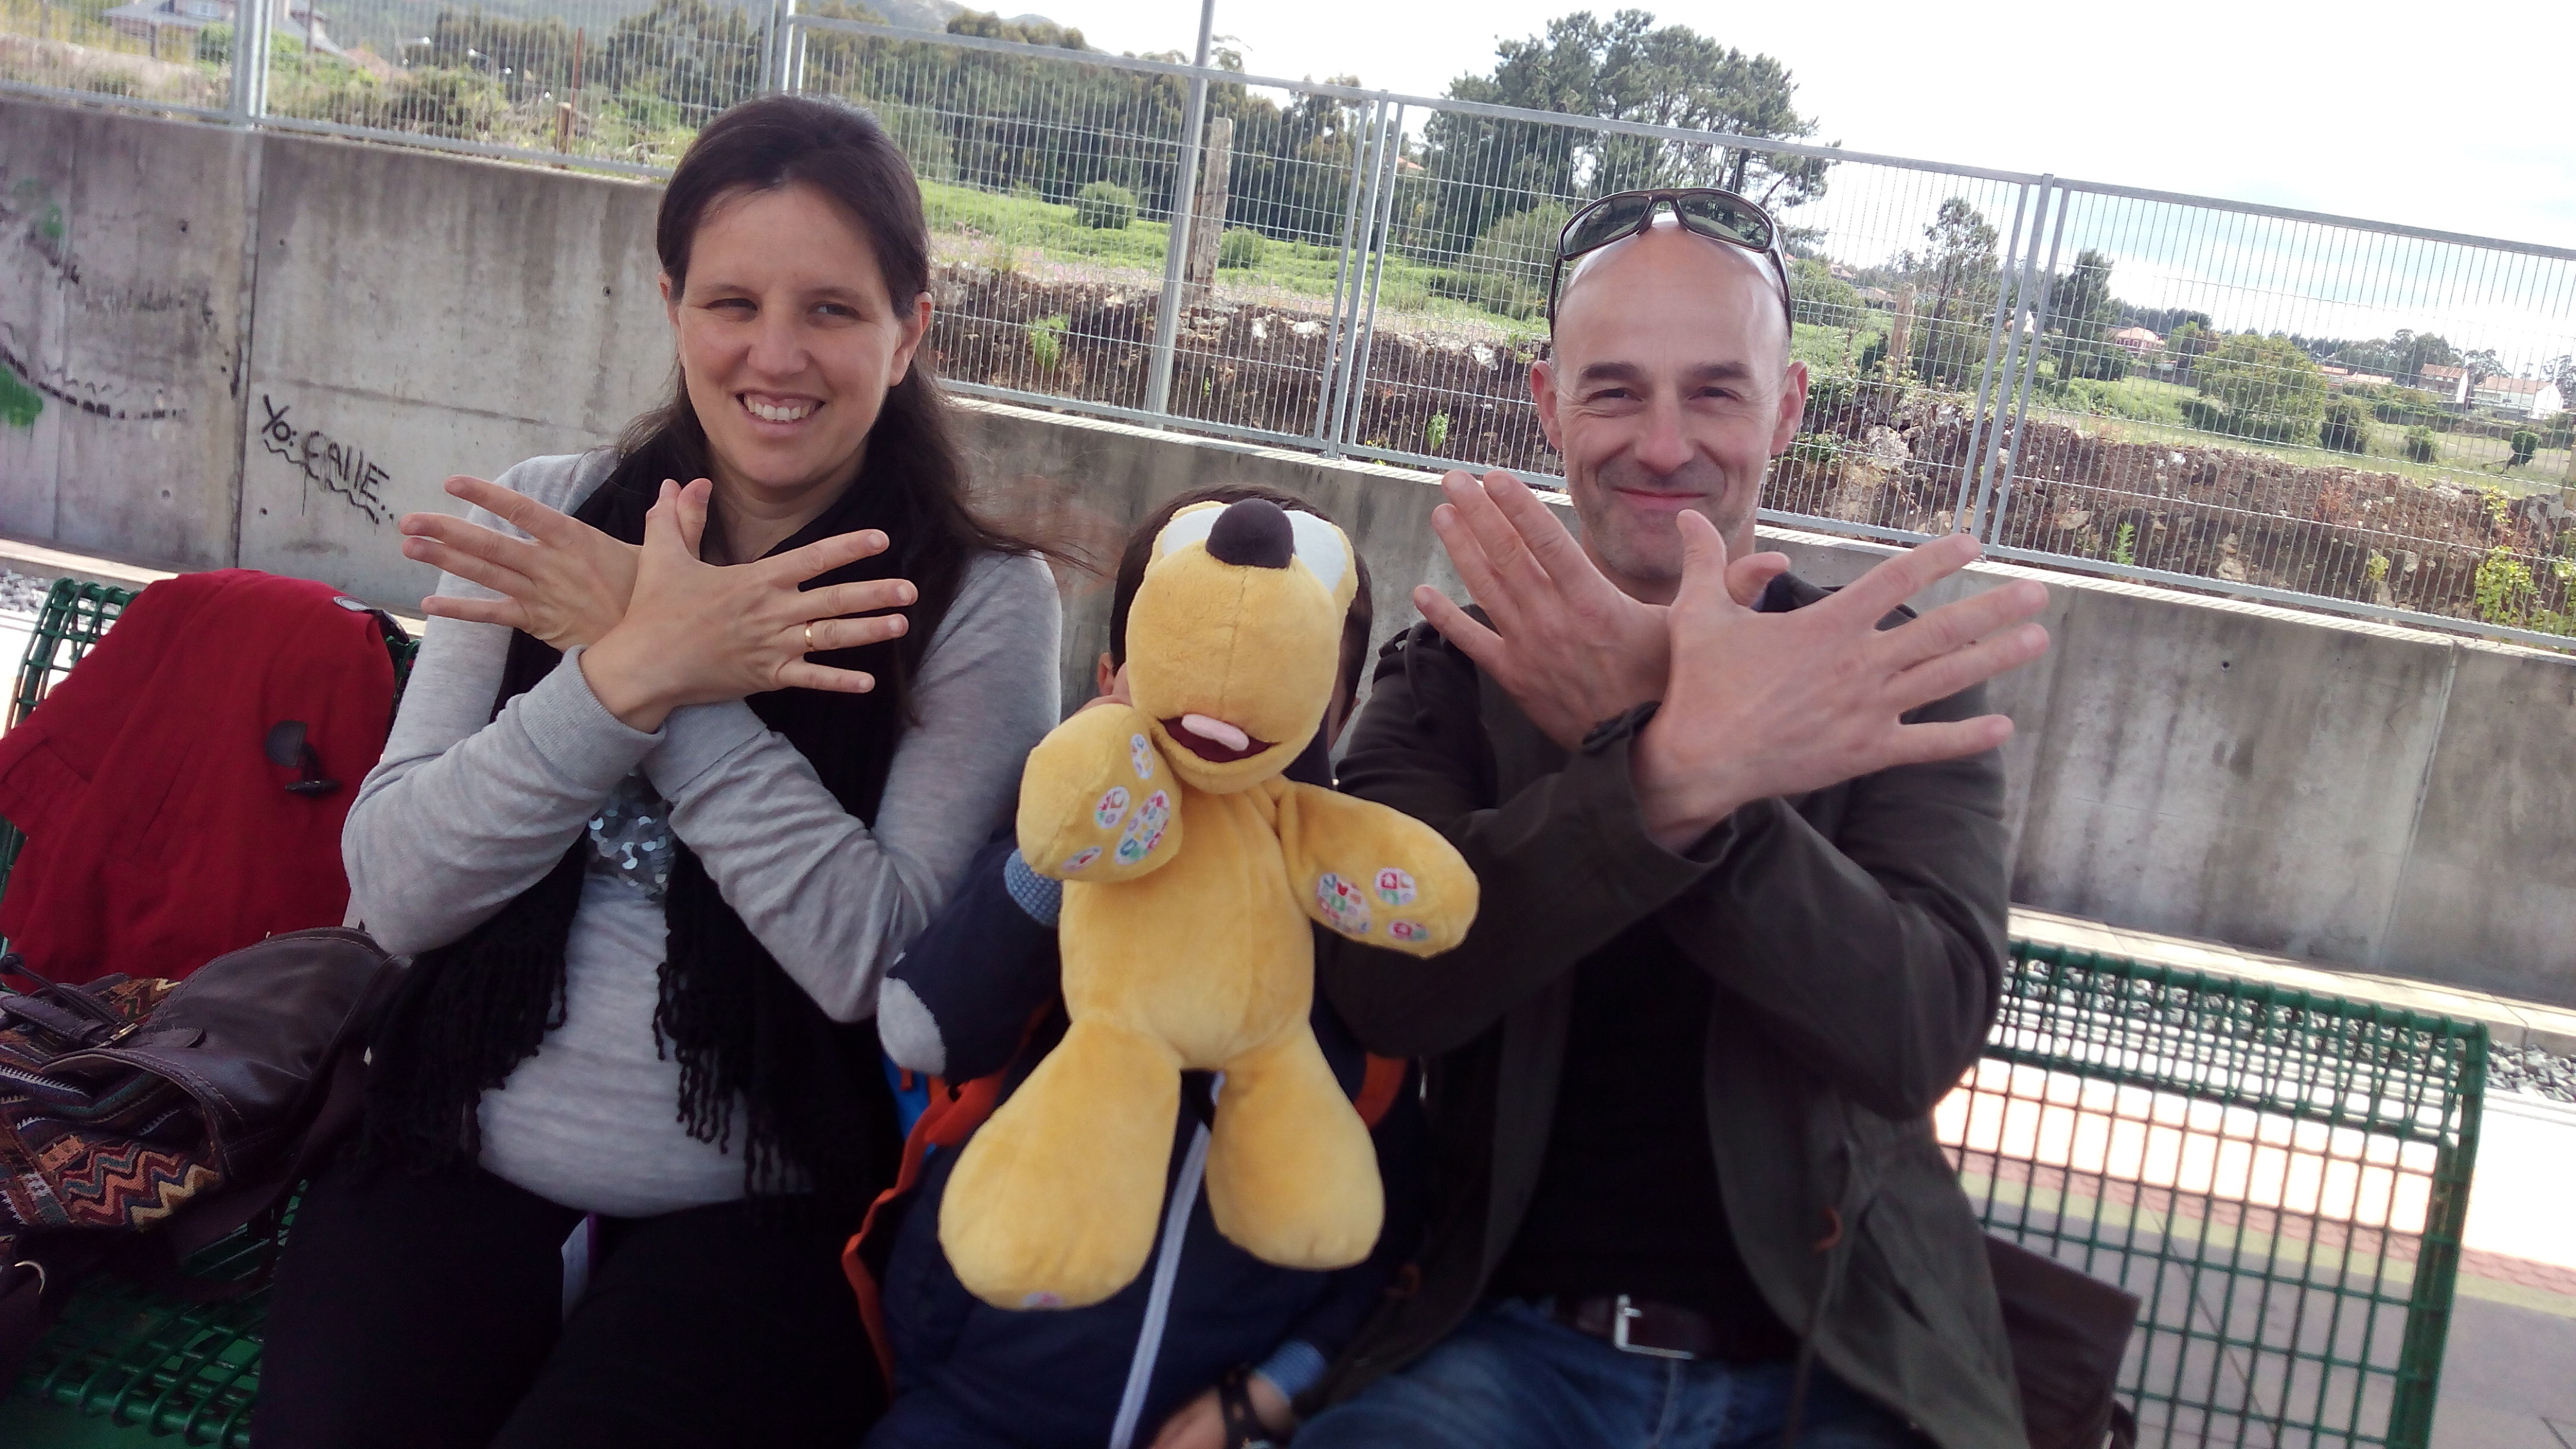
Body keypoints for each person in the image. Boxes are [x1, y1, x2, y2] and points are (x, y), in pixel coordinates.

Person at [255, 96, 1063, 1449]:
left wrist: (661, 665)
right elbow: (391, 889)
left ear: (910, 327)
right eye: (732, 301)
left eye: (833, 311)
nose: (776, 355)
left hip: (771, 1215)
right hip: (448, 1152)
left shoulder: (979, 600)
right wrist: (622, 673)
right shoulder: (543, 521)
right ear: (673, 302)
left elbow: (884, 965)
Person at [1288, 190, 2055, 1449]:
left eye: (1712, 392)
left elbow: (1914, 1029)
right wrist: (1652, 778)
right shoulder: (1444, 675)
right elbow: (1387, 982)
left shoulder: (1887, 680)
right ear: (1546, 402)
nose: (1660, 444)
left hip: (1834, 1355)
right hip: (1502, 1342)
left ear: (1787, 408)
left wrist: (1669, 752)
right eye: (1613, 392)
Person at [857, 484, 1421, 1449]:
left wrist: (1276, 1391)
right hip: (975, 1396)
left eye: (1285, 679)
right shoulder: (1050, 871)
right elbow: (933, 1019)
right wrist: (1078, 830)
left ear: (1343, 708)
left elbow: (1391, 1214)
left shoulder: (1361, 915)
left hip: (1228, 1416)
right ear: (1115, 676)